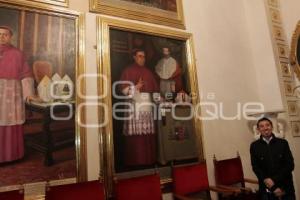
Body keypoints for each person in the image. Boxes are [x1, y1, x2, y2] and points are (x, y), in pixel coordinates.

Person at [0, 26, 35, 163]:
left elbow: (26, 74)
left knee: (11, 123)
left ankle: (12, 155)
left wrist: (29, 93)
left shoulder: (18, 54)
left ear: (10, 37)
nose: (2, 37)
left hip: (12, 94)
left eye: (5, 35)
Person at [119, 49, 159, 166]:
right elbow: (124, 90)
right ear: (134, 57)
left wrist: (159, 100)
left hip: (146, 107)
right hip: (134, 107)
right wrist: (136, 86)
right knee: (136, 139)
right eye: (140, 56)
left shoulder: (148, 72)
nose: (142, 58)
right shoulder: (128, 71)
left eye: (144, 56)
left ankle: (149, 161)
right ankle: (136, 162)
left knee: (147, 137)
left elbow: (155, 91)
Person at [250, 117, 295, 200]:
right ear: (258, 129)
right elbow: (256, 167)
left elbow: (290, 165)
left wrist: (273, 180)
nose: (265, 128)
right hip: (267, 189)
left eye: (268, 125)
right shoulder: (254, 146)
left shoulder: (283, 143)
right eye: (262, 126)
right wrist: (272, 186)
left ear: (272, 127)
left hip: (285, 187)